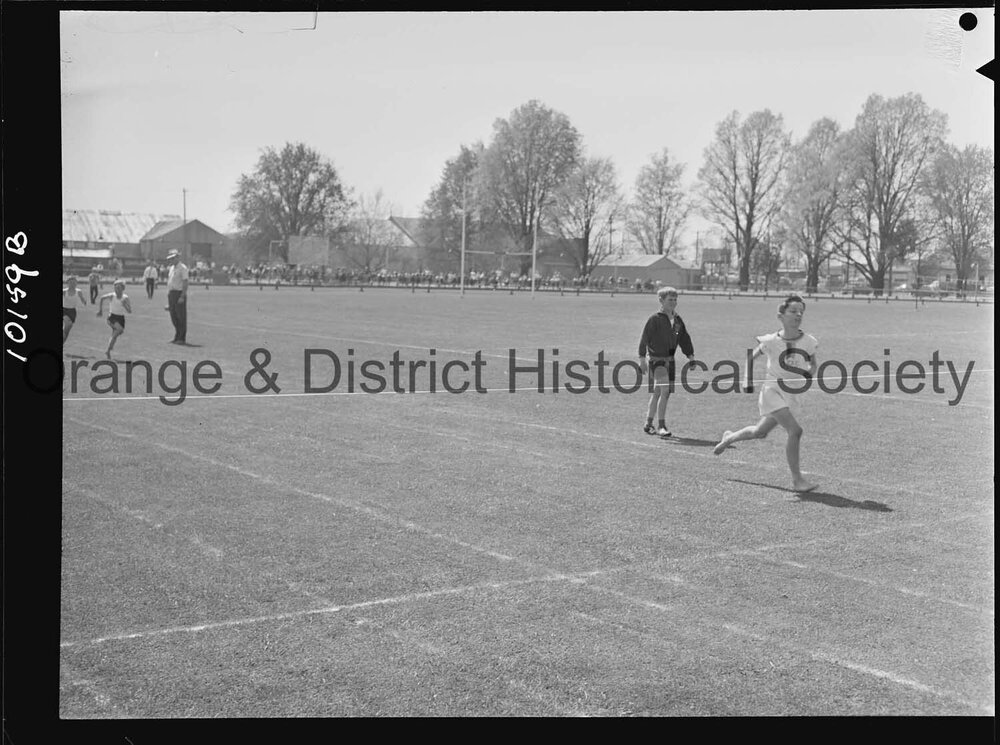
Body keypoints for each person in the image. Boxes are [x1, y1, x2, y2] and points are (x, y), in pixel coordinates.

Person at [713, 294, 818, 493]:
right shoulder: (770, 340)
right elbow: (750, 358)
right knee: (795, 431)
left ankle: (728, 438)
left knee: (759, 432)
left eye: (801, 312)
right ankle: (797, 481)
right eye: (793, 311)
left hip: (791, 395)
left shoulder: (808, 341)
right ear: (781, 315)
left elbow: (813, 365)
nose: (798, 315)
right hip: (772, 391)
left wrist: (808, 375)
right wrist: (747, 380)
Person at [638, 286, 695, 438]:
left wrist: (690, 355)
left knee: (658, 392)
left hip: (671, 361)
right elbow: (644, 339)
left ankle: (648, 424)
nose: (673, 302)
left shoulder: (677, 320)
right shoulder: (654, 320)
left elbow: (683, 337)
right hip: (657, 361)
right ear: (661, 301)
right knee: (664, 390)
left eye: (675, 299)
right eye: (670, 300)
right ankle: (661, 426)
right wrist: (642, 359)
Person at [96, 279, 132, 359]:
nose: (116, 289)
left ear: (123, 288)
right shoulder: (112, 295)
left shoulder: (125, 298)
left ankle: (108, 350)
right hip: (111, 317)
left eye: (119, 288)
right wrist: (100, 311)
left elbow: (129, 311)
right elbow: (102, 298)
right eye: (115, 288)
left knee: (115, 334)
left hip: (121, 318)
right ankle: (108, 350)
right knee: (119, 330)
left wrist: (125, 305)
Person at [165, 249, 189, 344]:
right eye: (170, 258)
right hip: (172, 294)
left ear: (177, 257)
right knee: (173, 316)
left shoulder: (182, 268)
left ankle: (181, 338)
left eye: (173, 258)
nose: (171, 260)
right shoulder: (171, 268)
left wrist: (182, 296)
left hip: (179, 293)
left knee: (181, 316)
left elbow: (185, 282)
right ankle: (177, 335)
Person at [62, 275, 88, 343]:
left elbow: (82, 298)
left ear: (76, 283)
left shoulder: (78, 291)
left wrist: (84, 301)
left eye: (74, 283)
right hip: (64, 310)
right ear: (67, 283)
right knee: (67, 323)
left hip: (72, 311)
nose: (73, 284)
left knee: (67, 329)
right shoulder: (64, 291)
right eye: (71, 282)